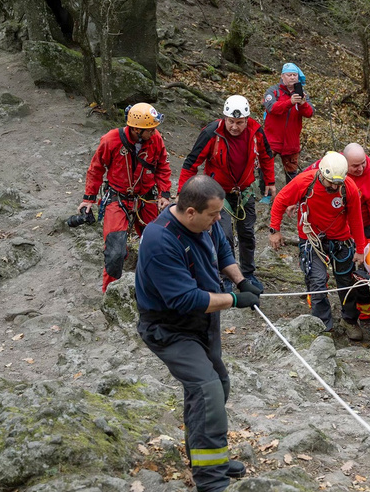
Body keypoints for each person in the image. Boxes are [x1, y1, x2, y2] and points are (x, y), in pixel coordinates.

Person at [134, 176, 262, 492]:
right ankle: (211, 481)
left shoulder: (206, 222)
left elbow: (222, 248)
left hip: (202, 323)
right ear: (190, 212)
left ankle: (209, 459)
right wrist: (234, 299)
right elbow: (184, 299)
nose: (218, 220)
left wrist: (240, 280)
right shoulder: (160, 241)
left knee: (218, 386)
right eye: (213, 215)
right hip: (170, 329)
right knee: (207, 391)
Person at [269, 151, 370, 341]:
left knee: (346, 282)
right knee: (316, 281)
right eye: (330, 183)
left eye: (337, 183)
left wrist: (360, 249)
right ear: (321, 174)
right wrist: (274, 230)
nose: (334, 187)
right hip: (311, 239)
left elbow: (356, 219)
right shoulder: (304, 182)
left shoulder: (347, 187)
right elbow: (281, 200)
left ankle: (350, 320)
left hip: (340, 239)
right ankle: (323, 325)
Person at [179, 95, 275, 291]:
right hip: (216, 192)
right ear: (224, 117)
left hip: (244, 191)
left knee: (247, 232)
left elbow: (266, 155)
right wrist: (184, 195)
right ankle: (226, 277)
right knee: (223, 235)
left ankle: (248, 273)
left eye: (239, 122)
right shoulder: (211, 133)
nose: (234, 127)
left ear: (247, 120)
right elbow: (191, 163)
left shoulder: (256, 132)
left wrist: (270, 181)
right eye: (231, 121)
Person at [82, 103, 172, 293]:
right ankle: (110, 292)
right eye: (150, 129)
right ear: (137, 129)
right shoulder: (111, 141)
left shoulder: (156, 140)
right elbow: (96, 168)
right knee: (115, 252)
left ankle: (159, 286)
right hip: (118, 197)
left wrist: (164, 194)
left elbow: (162, 166)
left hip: (146, 197)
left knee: (158, 244)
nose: (154, 132)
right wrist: (89, 198)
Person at [263, 62, 314, 184]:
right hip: (272, 139)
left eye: (294, 75)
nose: (292, 77)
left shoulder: (302, 94)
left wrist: (303, 104)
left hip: (291, 141)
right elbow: (272, 108)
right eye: (289, 75)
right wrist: (289, 102)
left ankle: (289, 196)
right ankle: (265, 195)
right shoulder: (273, 91)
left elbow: (310, 113)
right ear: (282, 76)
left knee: (291, 171)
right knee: (264, 166)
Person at [342, 143, 370, 243]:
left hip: (360, 227)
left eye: (363, 163)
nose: (360, 169)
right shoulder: (333, 164)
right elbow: (307, 177)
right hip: (334, 222)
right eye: (355, 166)